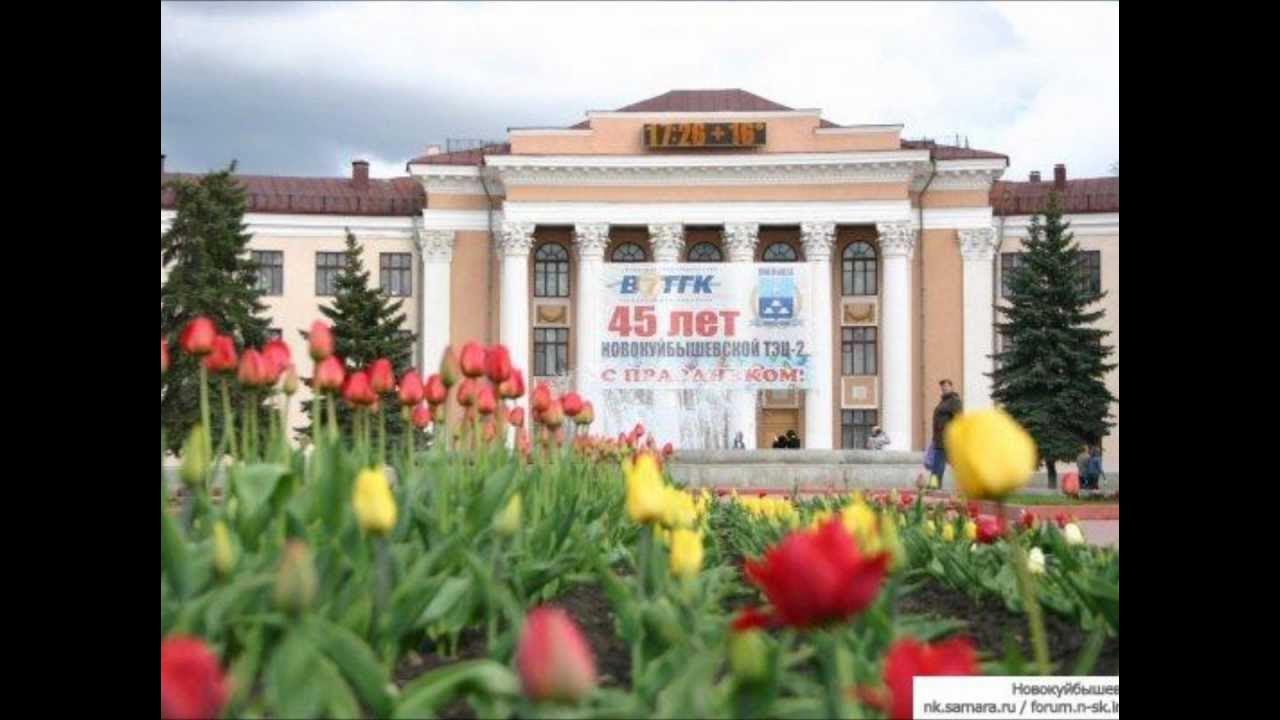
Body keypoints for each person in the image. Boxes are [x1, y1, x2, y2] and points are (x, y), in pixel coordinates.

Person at [929, 379, 963, 481]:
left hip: (947, 438)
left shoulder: (954, 401)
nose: (944, 388)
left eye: (946, 386)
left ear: (951, 387)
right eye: (942, 386)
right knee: (937, 463)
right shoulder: (944, 401)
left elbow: (958, 418)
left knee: (938, 463)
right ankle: (934, 485)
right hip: (939, 438)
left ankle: (935, 485)